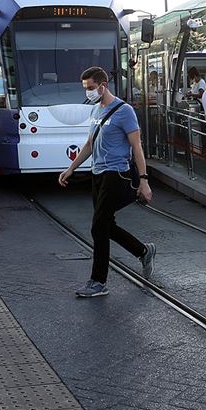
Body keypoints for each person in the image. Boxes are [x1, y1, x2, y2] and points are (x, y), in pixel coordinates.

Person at [59, 66, 155, 298]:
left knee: (98, 226)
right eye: (86, 89)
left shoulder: (124, 111)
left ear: (103, 85)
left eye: (91, 88)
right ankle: (143, 251)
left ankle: (98, 281)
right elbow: (90, 144)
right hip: (98, 174)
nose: (88, 92)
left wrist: (144, 180)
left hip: (116, 173)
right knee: (106, 224)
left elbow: (137, 147)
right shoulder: (95, 111)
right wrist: (70, 168)